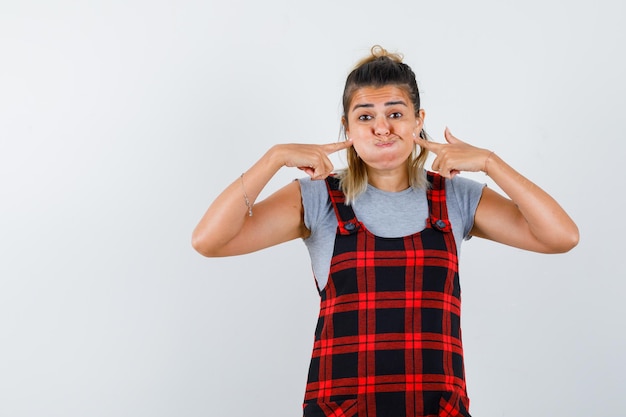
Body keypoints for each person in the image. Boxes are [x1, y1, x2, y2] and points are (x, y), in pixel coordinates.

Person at [192, 45, 579, 417]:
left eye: (395, 114)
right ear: (347, 126)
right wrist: (274, 158)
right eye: (365, 116)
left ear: (418, 120)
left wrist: (491, 163)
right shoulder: (318, 198)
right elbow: (209, 240)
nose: (381, 128)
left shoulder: (455, 196)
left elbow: (561, 236)